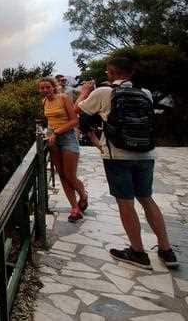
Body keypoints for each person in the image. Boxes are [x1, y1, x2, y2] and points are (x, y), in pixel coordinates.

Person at [76, 57, 178, 269]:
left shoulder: (103, 92)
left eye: (108, 71)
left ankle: (138, 252)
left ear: (112, 72)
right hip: (145, 154)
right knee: (147, 199)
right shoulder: (145, 93)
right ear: (131, 73)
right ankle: (166, 250)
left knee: (125, 203)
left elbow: (78, 111)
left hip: (118, 155)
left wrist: (84, 92)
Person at [39, 76, 88, 222]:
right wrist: (48, 134)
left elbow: (74, 121)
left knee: (70, 175)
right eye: (42, 88)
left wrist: (56, 132)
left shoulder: (64, 98)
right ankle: (75, 208)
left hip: (67, 138)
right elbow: (50, 121)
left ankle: (83, 195)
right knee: (62, 175)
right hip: (53, 141)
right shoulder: (44, 101)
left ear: (53, 87)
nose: (45, 90)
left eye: (48, 87)